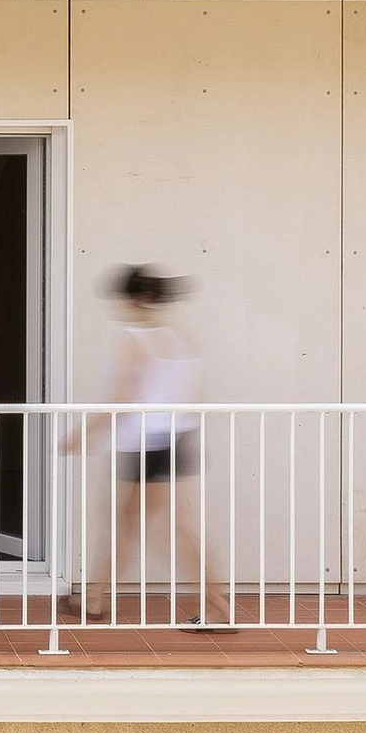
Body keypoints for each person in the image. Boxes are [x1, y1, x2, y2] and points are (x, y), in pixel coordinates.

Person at [62, 265, 231, 628]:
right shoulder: (176, 336)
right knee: (135, 520)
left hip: (145, 442)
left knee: (155, 526)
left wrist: (83, 432)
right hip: (174, 437)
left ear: (135, 298)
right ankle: (95, 595)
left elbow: (123, 395)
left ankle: (216, 603)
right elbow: (190, 391)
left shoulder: (134, 338)